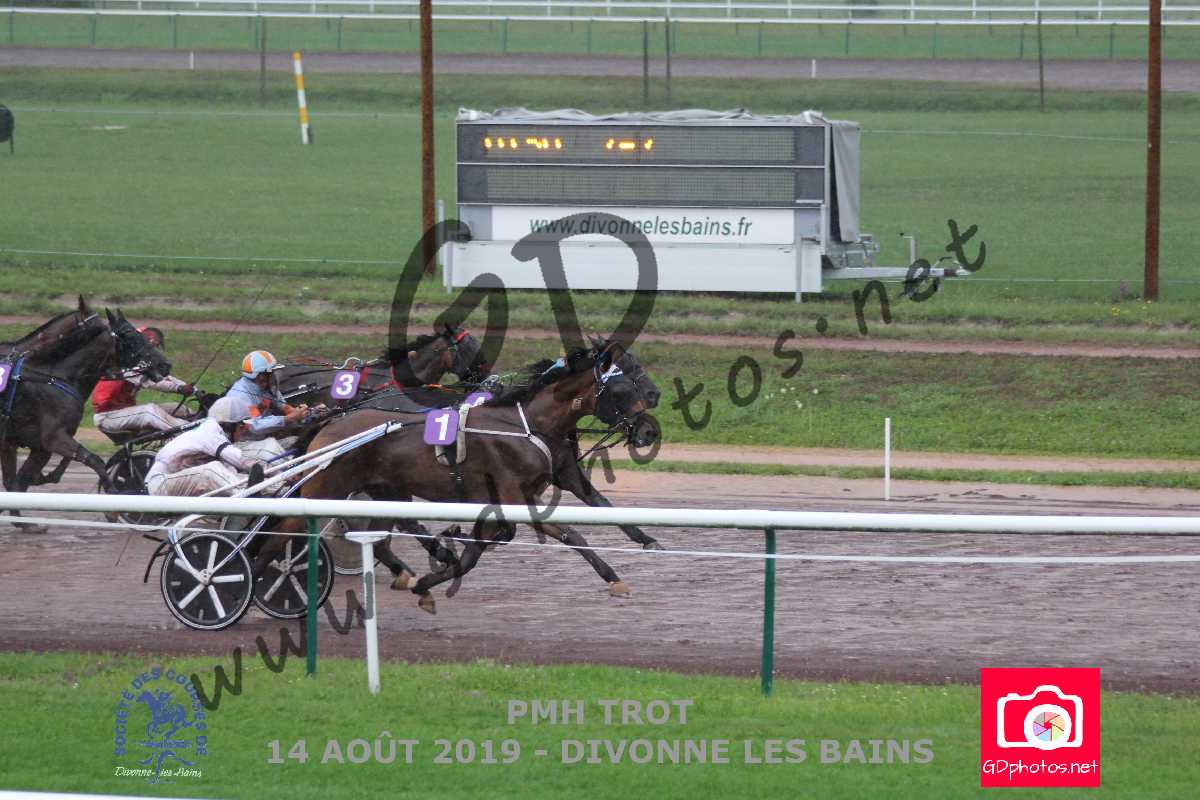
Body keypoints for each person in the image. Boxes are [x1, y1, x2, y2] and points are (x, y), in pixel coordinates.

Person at [92, 327, 195, 436]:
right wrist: (179, 388)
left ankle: (200, 424)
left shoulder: (138, 362)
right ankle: (191, 434)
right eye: (154, 346)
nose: (154, 350)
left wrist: (195, 390)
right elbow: (154, 382)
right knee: (149, 411)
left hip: (125, 412)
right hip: (108, 416)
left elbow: (163, 377)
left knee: (177, 408)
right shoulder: (124, 363)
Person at [222, 350, 320, 463]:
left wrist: (304, 412)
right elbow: (255, 426)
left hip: (261, 439)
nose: (275, 376)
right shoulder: (240, 396)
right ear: (261, 376)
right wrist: (289, 418)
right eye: (272, 373)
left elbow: (285, 407)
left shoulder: (266, 388)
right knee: (293, 446)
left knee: (302, 440)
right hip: (242, 445)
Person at [144, 402, 255, 497]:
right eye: (242, 427)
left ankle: (257, 493)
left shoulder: (212, 432)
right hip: (159, 485)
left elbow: (232, 468)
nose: (245, 431)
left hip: (176, 479)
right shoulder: (210, 434)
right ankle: (249, 496)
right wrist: (262, 466)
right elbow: (239, 459)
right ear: (230, 425)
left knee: (231, 472)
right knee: (211, 470)